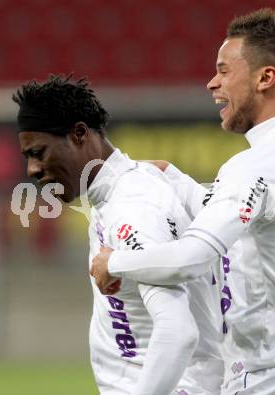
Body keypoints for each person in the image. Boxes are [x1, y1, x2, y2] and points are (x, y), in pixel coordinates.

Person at [91, 8, 275, 395]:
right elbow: (250, 214)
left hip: (272, 378)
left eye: (224, 71)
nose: (212, 83)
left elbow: (191, 259)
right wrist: (174, 177)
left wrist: (115, 262)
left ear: (265, 78)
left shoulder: (256, 166)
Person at [12, 75, 223, 395]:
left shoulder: (132, 207)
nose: (32, 169)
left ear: (79, 134)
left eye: (39, 152)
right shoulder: (117, 192)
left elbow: (178, 331)